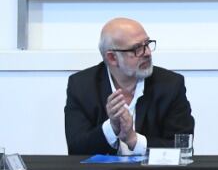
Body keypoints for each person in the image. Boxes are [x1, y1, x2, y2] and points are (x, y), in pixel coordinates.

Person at [64, 17, 194, 156]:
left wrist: (133, 139)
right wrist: (111, 128)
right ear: (112, 58)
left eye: (147, 44)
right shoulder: (82, 86)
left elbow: (183, 150)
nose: (148, 53)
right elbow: (76, 150)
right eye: (137, 48)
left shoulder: (170, 85)